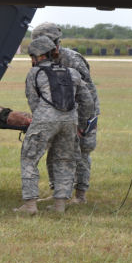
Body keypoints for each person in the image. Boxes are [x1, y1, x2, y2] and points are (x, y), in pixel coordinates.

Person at [15, 36, 94, 215]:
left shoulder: (34, 73)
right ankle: (60, 206)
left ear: (37, 56)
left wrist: (40, 120)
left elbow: (33, 100)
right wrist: (81, 124)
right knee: (65, 161)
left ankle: (30, 206)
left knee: (29, 159)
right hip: (70, 121)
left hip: (45, 119)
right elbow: (87, 101)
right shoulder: (72, 73)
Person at [31, 22, 100, 204]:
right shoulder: (41, 59)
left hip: (80, 115)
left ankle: (80, 195)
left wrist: (82, 123)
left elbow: (87, 96)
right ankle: (58, 193)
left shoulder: (72, 60)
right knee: (55, 152)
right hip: (58, 115)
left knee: (80, 153)